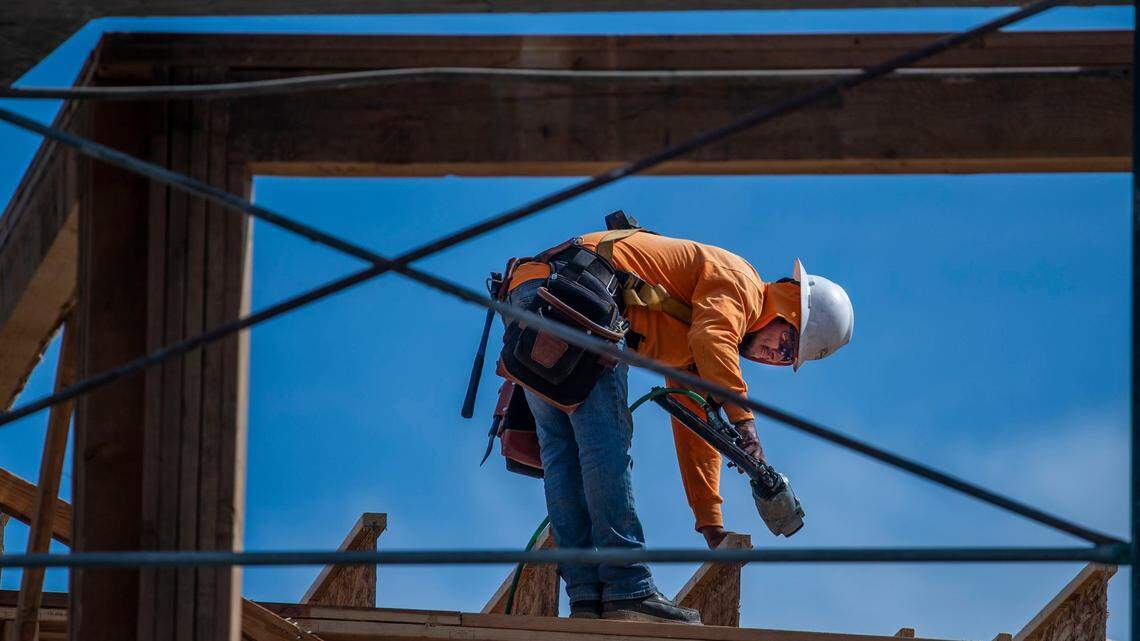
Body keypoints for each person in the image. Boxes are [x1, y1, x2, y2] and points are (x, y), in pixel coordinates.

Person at [504, 228, 853, 623]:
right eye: (787, 343)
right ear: (786, 306)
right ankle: (626, 588)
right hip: (579, 301)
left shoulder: (695, 335)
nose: (776, 356)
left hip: (539, 299)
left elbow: (695, 425)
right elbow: (713, 338)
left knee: (563, 459)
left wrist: (710, 521)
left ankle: (587, 598)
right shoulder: (742, 284)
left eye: (787, 358)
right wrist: (744, 421)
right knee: (606, 451)